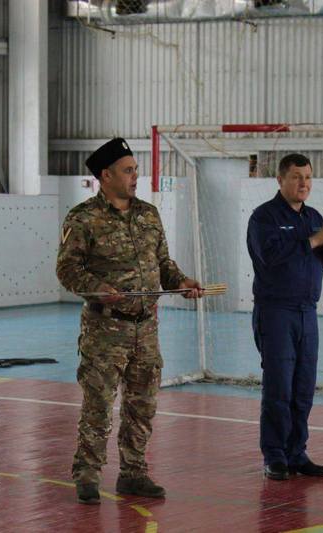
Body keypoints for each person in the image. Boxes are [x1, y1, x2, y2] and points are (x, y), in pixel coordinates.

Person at [57, 137, 203, 504]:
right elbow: (67, 269)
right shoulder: (83, 217)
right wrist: (98, 289)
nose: (135, 176)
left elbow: (163, 264)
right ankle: (88, 474)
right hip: (105, 329)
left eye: (136, 170)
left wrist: (182, 281)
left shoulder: (148, 215)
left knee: (143, 405)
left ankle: (133, 473)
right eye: (127, 170)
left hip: (145, 327)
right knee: (99, 404)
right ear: (105, 176)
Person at [246, 153, 323, 481]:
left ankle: (296, 453)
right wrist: (317, 239)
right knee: (279, 386)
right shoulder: (264, 217)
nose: (304, 183)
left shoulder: (313, 217)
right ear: (280, 180)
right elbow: (272, 256)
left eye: (308, 177)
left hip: (307, 313)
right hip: (276, 312)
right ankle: (275, 455)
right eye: (296, 177)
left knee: (303, 387)